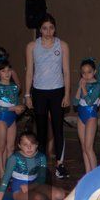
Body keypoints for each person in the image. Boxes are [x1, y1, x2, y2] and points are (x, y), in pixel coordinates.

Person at [25, 14, 71, 179]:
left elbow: (66, 71)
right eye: (45, 28)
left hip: (57, 91)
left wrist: (67, 94)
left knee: (58, 129)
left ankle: (60, 164)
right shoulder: (32, 46)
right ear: (40, 29)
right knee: (41, 130)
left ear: (55, 28)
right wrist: (27, 94)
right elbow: (29, 72)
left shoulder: (62, 45)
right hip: (39, 92)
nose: (48, 31)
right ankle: (41, 165)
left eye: (51, 28)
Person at [0, 132, 65, 200]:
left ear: (36, 145)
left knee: (60, 195)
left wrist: (29, 187)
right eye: (25, 144)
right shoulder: (14, 158)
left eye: (32, 144)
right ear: (19, 146)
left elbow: (41, 179)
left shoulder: (41, 157)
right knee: (39, 198)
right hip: (19, 190)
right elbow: (5, 178)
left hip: (35, 186)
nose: (29, 147)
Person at [0, 61, 25, 176]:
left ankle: (8, 171)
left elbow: (15, 103)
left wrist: (20, 109)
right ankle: (1, 172)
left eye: (9, 70)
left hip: (12, 119)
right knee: (1, 147)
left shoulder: (14, 87)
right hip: (2, 119)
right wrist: (13, 108)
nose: (7, 73)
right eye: (3, 71)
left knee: (11, 148)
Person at [73, 58, 100, 173]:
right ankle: (88, 173)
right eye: (83, 72)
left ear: (94, 72)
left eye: (89, 72)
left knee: (88, 148)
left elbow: (89, 101)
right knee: (84, 148)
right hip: (81, 115)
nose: (86, 75)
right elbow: (75, 103)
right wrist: (79, 87)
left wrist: (83, 88)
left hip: (91, 115)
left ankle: (95, 174)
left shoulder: (97, 85)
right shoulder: (82, 84)